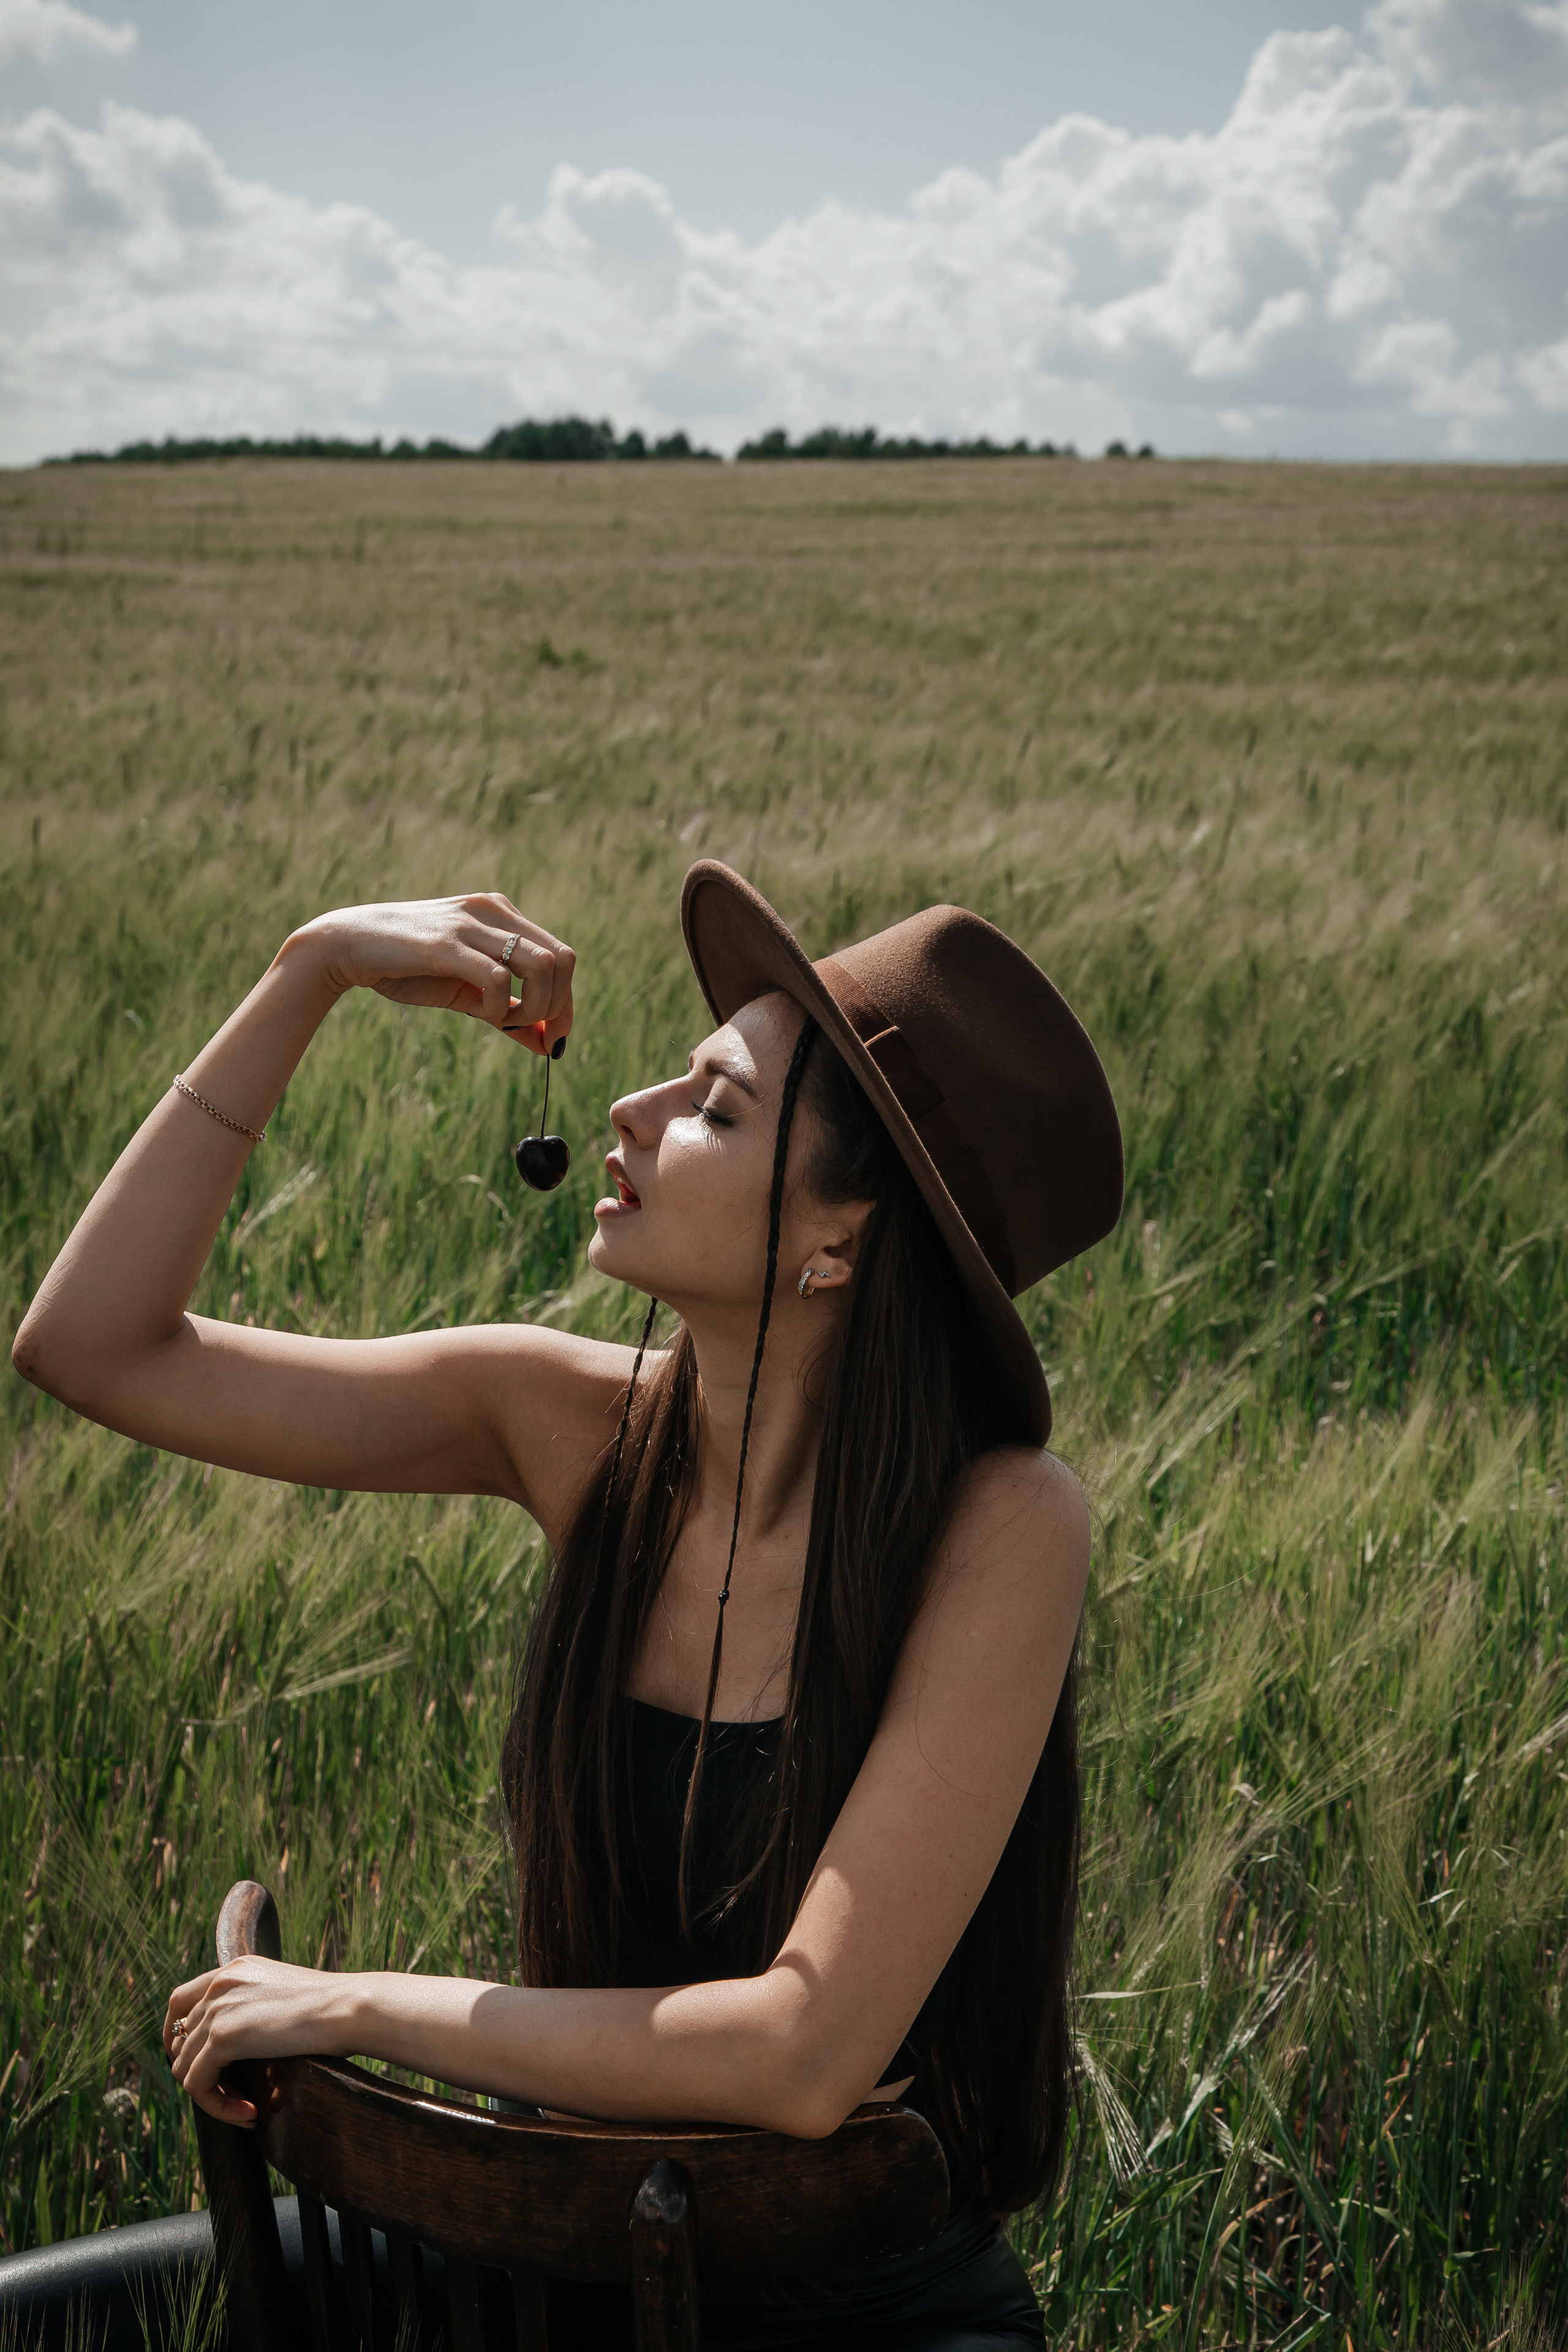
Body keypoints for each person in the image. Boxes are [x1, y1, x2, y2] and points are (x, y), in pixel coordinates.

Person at [12, 859, 1123, 2351]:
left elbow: (799, 2054)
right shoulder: (565, 1423)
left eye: (715, 1107)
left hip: (857, 2321)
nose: (631, 1110)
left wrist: (351, 2007)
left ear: (840, 1242)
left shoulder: (1000, 1526)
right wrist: (311, 970)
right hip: (547, 2255)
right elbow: (92, 1346)